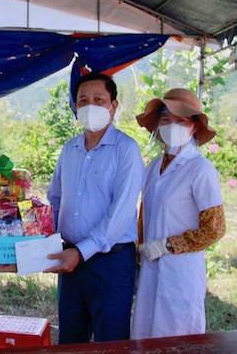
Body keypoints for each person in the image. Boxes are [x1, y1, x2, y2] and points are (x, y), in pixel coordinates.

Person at [45, 72, 144, 343]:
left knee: (111, 340)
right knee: (71, 339)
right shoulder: (69, 149)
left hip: (110, 261)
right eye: (83, 100)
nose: (90, 106)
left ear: (114, 105)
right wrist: (47, 238)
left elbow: (121, 212)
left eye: (99, 99)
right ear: (75, 107)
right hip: (69, 261)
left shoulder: (126, 149)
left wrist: (80, 252)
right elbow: (54, 199)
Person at [132, 88, 226, 339]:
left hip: (181, 269)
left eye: (181, 121)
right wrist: (139, 252)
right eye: (166, 120)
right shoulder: (152, 168)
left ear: (194, 127)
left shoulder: (200, 169)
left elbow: (214, 228)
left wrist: (167, 245)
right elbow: (145, 216)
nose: (172, 126)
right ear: (158, 128)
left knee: (178, 335)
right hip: (150, 265)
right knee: (146, 333)